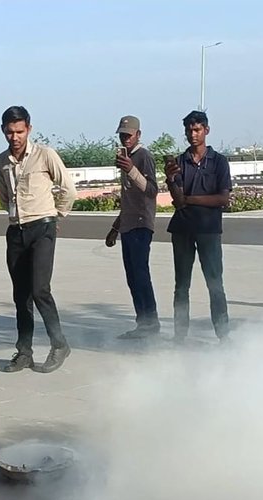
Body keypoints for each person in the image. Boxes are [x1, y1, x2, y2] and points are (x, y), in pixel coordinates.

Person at [0, 106, 75, 373]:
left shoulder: (45, 155)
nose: (14, 137)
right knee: (21, 295)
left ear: (28, 128)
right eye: (9, 132)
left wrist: (56, 216)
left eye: (19, 131)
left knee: (40, 289)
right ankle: (24, 351)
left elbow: (68, 188)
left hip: (42, 228)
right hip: (17, 230)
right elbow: (5, 195)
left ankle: (59, 344)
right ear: (3, 131)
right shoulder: (1, 161)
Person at [165, 110, 232, 343]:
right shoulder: (180, 161)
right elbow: (177, 198)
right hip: (183, 228)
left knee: (215, 284)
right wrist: (170, 179)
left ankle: (223, 335)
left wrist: (190, 200)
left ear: (206, 130)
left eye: (197, 130)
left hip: (209, 230)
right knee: (181, 285)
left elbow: (223, 198)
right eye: (189, 130)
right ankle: (179, 334)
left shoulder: (219, 162)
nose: (193, 134)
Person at [104, 115, 159, 338]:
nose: (125, 138)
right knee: (132, 276)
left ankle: (151, 322)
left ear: (138, 135)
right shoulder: (125, 158)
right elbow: (128, 201)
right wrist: (115, 228)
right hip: (127, 225)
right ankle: (143, 323)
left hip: (141, 224)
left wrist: (131, 170)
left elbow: (152, 190)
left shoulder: (143, 157)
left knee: (140, 273)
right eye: (122, 135)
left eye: (129, 135)